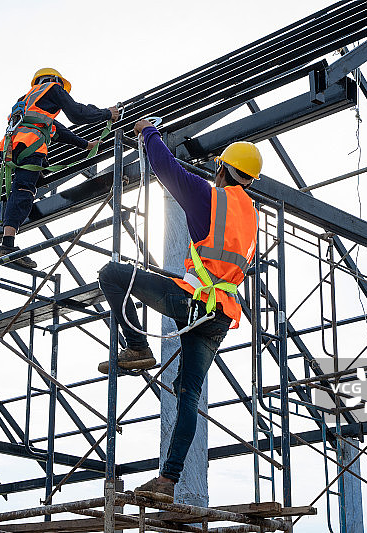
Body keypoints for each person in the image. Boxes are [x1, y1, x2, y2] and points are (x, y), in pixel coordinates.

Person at [97, 119, 262, 502]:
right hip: (219, 315)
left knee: (111, 275)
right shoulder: (251, 216)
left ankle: (137, 346)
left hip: (193, 301)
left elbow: (166, 168)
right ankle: (167, 481)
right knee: (188, 394)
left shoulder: (210, 197)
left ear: (222, 170)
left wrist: (148, 132)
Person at [0, 68, 119, 268]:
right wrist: (107, 113)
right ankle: (7, 245)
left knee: (21, 189)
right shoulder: (53, 88)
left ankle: (7, 243)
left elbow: (57, 130)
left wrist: (86, 145)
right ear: (55, 80)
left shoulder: (27, 100)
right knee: (24, 190)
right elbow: (77, 113)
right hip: (30, 146)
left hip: (14, 149)